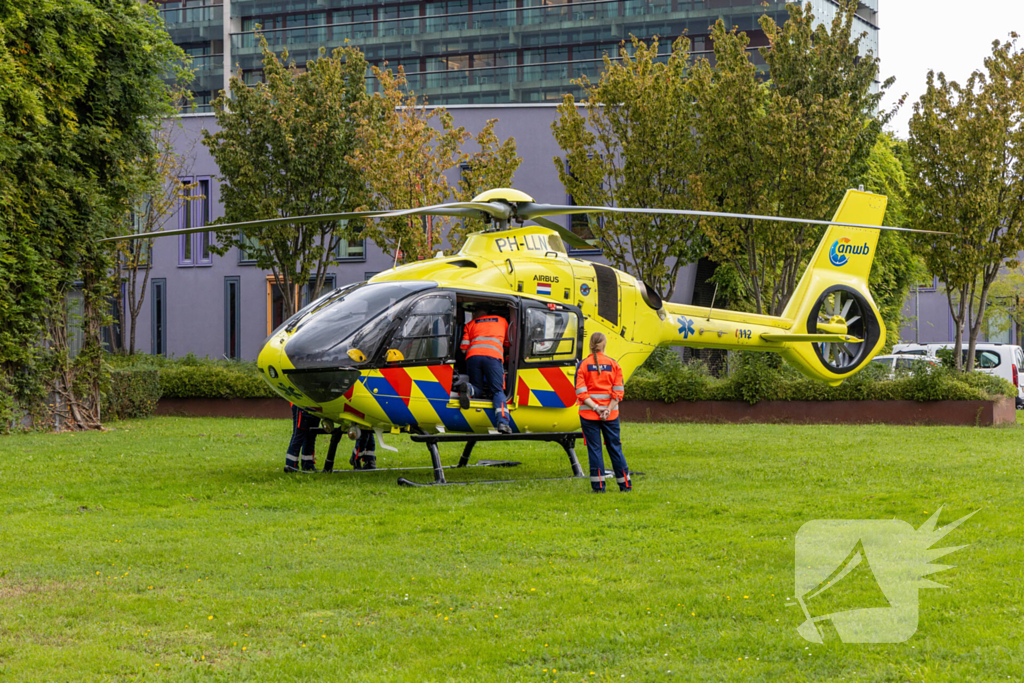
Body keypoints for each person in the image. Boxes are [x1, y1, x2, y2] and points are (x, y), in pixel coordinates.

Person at [575, 332, 631, 493]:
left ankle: (599, 487)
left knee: (595, 449)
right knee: (615, 448)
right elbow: (618, 392)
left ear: (590, 345)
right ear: (604, 345)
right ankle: (625, 485)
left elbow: (580, 391)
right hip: (611, 415)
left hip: (589, 414)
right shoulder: (614, 364)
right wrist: (607, 409)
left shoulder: (583, 365)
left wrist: (596, 408)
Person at [457, 307, 512, 434]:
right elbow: (508, 344)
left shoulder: (470, 324)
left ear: (476, 316)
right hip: (493, 357)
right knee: (498, 391)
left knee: (478, 387)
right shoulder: (502, 320)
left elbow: (463, 349)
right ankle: (503, 423)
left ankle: (468, 389)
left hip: (473, 357)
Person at [285, 403, 318, 472]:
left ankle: (308, 464)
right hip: (301, 404)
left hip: (315, 405)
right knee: (298, 435)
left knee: (311, 435)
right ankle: (291, 464)